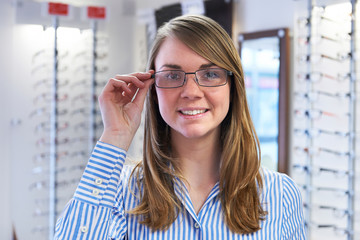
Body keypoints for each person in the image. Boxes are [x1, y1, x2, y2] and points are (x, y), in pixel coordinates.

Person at [54, 15, 306, 239]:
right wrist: (115, 137)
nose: (191, 92)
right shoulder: (119, 192)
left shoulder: (280, 194)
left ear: (233, 87)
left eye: (210, 74)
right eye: (173, 76)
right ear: (152, 91)